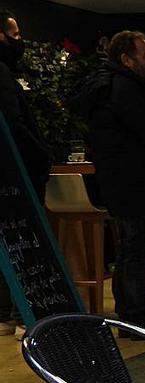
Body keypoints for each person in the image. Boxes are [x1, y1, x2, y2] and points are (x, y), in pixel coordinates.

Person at [70, 30, 145, 339]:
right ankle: (139, 319)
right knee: (138, 251)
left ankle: (131, 317)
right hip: (133, 180)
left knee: (130, 250)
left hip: (116, 179)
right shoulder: (127, 89)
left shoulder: (106, 86)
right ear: (126, 59)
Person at [0, 9, 49, 335]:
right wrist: (41, 155)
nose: (20, 41)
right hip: (17, 177)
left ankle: (6, 313)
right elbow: (15, 126)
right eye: (15, 35)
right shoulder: (3, 74)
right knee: (23, 241)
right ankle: (22, 315)